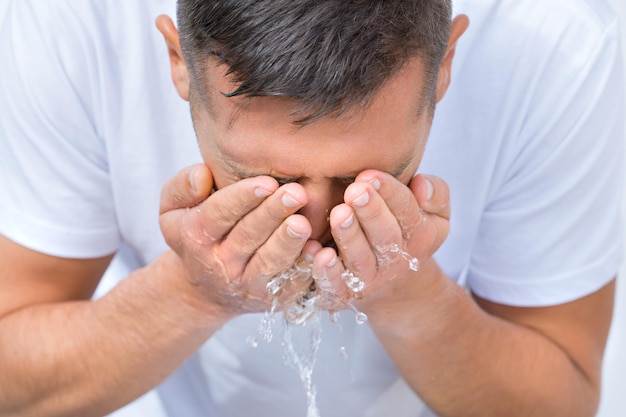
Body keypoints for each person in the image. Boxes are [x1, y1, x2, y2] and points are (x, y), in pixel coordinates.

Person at [0, 0, 623, 416]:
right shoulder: (73, 26)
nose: (317, 232)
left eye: (366, 177)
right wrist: (193, 293)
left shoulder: (558, 51)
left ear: (446, 67)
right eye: (267, 181)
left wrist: (408, 294)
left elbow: (563, 396)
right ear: (177, 63)